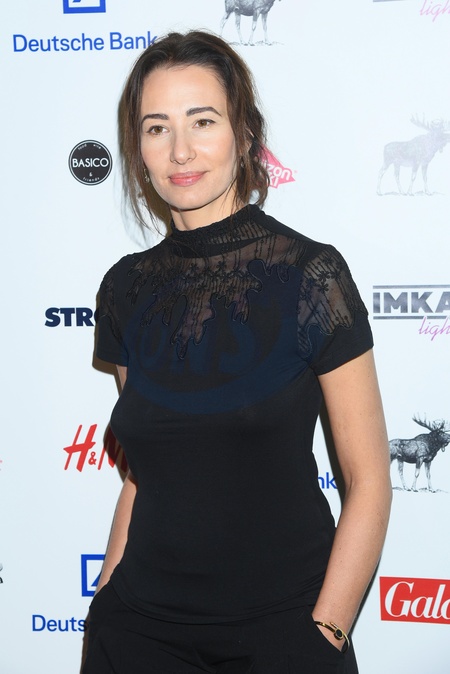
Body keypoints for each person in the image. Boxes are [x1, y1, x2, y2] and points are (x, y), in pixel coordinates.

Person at [83, 30, 392, 674]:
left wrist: (324, 634)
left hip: (284, 635)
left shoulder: (310, 276)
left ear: (245, 134)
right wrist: (104, 599)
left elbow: (368, 482)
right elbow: (145, 471)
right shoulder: (125, 289)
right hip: (138, 635)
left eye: (203, 121)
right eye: (157, 128)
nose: (180, 150)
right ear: (138, 150)